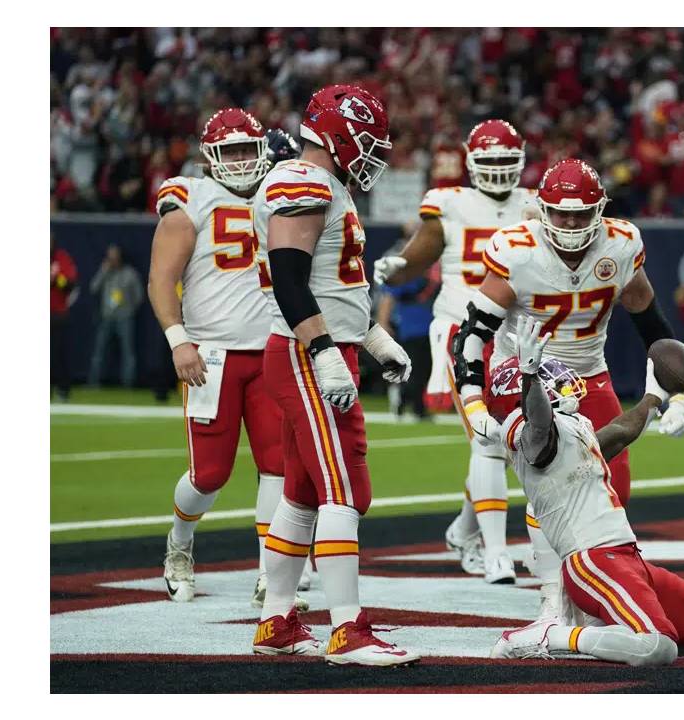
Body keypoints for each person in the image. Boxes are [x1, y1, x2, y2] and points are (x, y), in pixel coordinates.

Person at [450, 157, 684, 626]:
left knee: (613, 488)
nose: (573, 223)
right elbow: (472, 334)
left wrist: (678, 396)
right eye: (562, 213)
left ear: (600, 209)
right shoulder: (517, 250)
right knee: (554, 482)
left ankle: (593, 584)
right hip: (523, 373)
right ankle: (550, 600)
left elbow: (653, 328)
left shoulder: (620, 246)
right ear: (542, 210)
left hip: (587, 370)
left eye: (582, 213)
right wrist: (475, 401)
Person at [249, 84, 419, 666]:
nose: (372, 155)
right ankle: (348, 628)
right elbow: (290, 280)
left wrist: (371, 339)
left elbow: (333, 286)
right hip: (304, 352)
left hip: (321, 347)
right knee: (344, 486)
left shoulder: (327, 184)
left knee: (301, 491)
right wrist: (323, 351)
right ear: (339, 132)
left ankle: (276, 619)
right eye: (366, 141)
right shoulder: (303, 180)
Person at [487, 317, 684, 665]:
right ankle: (550, 635)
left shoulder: (570, 427)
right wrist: (530, 374)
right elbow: (539, 420)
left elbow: (618, 431)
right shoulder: (528, 435)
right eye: (547, 377)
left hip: (628, 558)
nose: (558, 379)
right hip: (591, 560)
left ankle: (611, 630)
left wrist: (654, 397)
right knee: (656, 646)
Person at [149, 108, 311, 609]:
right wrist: (179, 339)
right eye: (231, 151)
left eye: (248, 149)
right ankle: (179, 544)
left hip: (269, 353)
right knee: (209, 475)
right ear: (210, 156)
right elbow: (159, 280)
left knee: (277, 468)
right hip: (211, 357)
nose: (242, 160)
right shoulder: (189, 199)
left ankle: (270, 573)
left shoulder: (278, 196)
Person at [372, 120, 539, 584]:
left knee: (512, 444)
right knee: (488, 439)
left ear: (521, 162)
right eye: (491, 162)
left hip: (515, 333)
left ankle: (464, 530)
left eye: (508, 162)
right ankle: (496, 551)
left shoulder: (534, 205)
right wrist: (399, 265)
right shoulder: (449, 202)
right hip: (460, 329)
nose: (500, 172)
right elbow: (421, 255)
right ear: (470, 164)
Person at [375, 235, 439, 422]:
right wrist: (383, 323)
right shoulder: (407, 275)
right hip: (411, 328)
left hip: (428, 327)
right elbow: (389, 299)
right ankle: (413, 405)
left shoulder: (427, 274)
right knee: (417, 370)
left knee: (424, 370)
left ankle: (407, 402)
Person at [87, 244, 143, 387]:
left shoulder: (130, 274)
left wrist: (129, 310)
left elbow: (139, 296)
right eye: (110, 257)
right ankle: (93, 382)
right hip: (106, 318)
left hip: (125, 318)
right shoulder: (105, 272)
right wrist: (103, 271)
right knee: (99, 352)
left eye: (114, 256)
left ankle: (128, 383)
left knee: (128, 353)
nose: (112, 260)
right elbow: (93, 288)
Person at [50, 234, 79, 402]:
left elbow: (70, 283)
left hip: (57, 313)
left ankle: (62, 389)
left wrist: (56, 280)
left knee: (59, 354)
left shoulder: (61, 258)